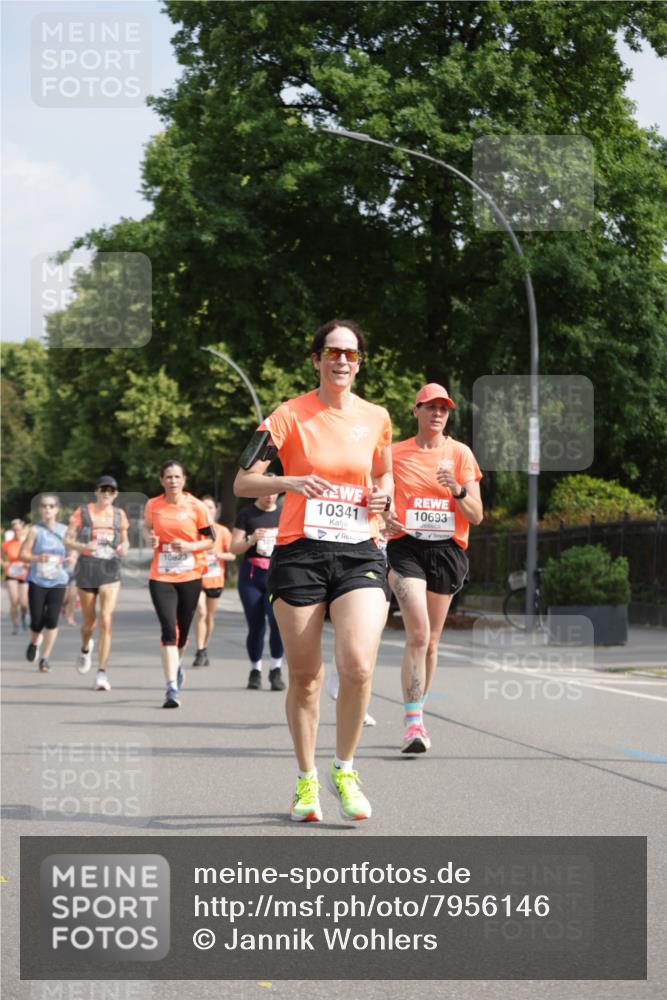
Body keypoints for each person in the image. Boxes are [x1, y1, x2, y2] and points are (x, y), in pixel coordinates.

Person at [234, 318, 393, 823]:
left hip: (359, 550)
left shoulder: (377, 417)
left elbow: (383, 473)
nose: (342, 360)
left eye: (351, 353)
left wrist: (383, 497)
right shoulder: (288, 415)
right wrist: (292, 482)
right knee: (305, 679)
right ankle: (306, 780)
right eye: (332, 352)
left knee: (358, 665)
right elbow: (244, 481)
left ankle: (344, 769)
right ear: (316, 359)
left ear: (360, 362)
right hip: (300, 552)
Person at [385, 383, 483, 754]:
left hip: (446, 551)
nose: (437, 413)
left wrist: (456, 488)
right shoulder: (395, 453)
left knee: (431, 642)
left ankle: (418, 714)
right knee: (419, 632)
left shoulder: (460, 454)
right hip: (406, 548)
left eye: (443, 408)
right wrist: (385, 515)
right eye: (430, 407)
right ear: (416, 411)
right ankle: (413, 724)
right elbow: (378, 495)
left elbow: (477, 514)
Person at [143, 460, 215, 708]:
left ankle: (177, 663)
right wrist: (150, 539)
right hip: (161, 576)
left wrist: (189, 546)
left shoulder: (196, 506)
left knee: (182, 635)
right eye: (168, 477)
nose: (173, 481)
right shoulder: (153, 505)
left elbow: (210, 540)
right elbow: (146, 529)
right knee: (168, 631)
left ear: (184, 480)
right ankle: (171, 687)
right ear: (161, 480)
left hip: (190, 576)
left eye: (177, 477)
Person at [65, 476, 130, 691]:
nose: (107, 494)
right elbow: (67, 539)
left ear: (116, 494)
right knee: (89, 624)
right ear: (96, 492)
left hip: (110, 568)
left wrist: (124, 548)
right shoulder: (83, 512)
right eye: (103, 490)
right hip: (87, 568)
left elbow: (125, 540)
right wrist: (83, 546)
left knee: (106, 619)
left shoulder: (119, 515)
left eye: (111, 491)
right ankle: (85, 647)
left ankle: (102, 673)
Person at [229, 484, 285, 691]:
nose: (269, 496)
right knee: (256, 625)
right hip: (252, 576)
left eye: (273, 492)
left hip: (276, 576)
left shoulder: (284, 513)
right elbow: (234, 548)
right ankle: (255, 669)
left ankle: (276, 669)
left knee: (278, 623)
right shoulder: (247, 514)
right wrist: (251, 539)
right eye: (265, 492)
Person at [19, 495, 72, 672]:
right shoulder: (35, 531)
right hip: (38, 581)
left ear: (57, 509)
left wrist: (72, 557)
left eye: (51, 506)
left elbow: (73, 551)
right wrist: (37, 558)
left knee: (52, 620)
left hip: (58, 580)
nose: (47, 509)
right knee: (36, 621)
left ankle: (45, 658)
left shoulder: (65, 530)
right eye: (44, 506)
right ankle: (35, 641)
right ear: (40, 509)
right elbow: (22, 554)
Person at [192, 495, 235, 667]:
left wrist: (218, 555)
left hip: (215, 579)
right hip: (196, 578)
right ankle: (199, 649)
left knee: (210, 616)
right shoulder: (194, 529)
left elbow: (232, 555)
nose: (207, 510)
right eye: (204, 507)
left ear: (215, 510)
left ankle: (204, 647)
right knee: (201, 612)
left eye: (210, 507)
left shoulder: (222, 531)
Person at [2, 519, 29, 633]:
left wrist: (29, 564)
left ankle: (24, 616)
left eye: (19, 529)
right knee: (14, 600)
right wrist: (3, 563)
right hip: (11, 573)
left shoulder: (28, 543)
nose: (17, 532)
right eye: (15, 530)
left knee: (24, 603)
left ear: (23, 530)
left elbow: (34, 557)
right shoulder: (7, 544)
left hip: (24, 574)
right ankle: (15, 624)